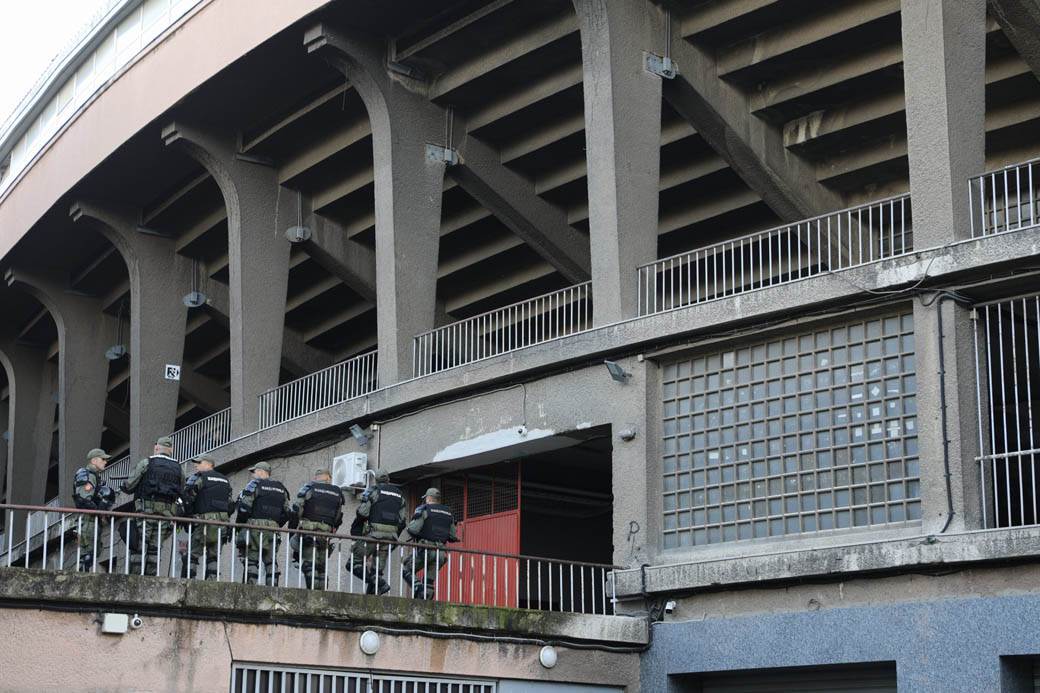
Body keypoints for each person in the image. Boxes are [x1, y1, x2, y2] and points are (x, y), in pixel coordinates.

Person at [120, 436, 183, 575]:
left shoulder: (147, 462)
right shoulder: (178, 467)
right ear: (171, 449)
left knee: (140, 545)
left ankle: (135, 578)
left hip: (146, 511)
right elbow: (181, 489)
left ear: (156, 447)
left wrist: (123, 486)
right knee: (155, 547)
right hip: (166, 514)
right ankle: (151, 578)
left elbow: (129, 486)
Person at [348, 471, 406, 595]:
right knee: (377, 572)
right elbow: (402, 521)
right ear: (388, 480)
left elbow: (363, 512)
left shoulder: (373, 491)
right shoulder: (399, 495)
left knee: (353, 563)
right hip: (390, 538)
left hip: (373, 535)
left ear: (376, 480)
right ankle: (372, 595)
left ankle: (381, 584)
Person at [234, 461, 291, 585]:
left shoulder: (254, 485)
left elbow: (244, 508)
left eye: (254, 472)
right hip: (273, 530)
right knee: (271, 561)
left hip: (254, 528)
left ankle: (250, 588)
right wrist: (276, 525)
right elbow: (287, 512)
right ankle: (273, 589)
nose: (253, 475)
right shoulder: (281, 488)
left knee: (251, 560)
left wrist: (239, 526)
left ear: (261, 472)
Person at [290, 469, 345, 589]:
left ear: (316, 477)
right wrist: (331, 529)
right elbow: (338, 517)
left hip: (309, 531)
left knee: (309, 564)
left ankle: (313, 593)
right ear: (329, 478)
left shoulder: (309, 488)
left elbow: (297, 509)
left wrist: (294, 528)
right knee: (321, 566)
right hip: (326, 534)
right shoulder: (337, 492)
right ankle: (322, 594)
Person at [401, 487, 459, 599]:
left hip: (426, 550)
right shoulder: (449, 513)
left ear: (428, 498)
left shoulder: (424, 509)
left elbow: (413, 529)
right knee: (429, 581)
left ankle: (418, 588)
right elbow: (452, 536)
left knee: (406, 569)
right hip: (441, 554)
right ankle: (426, 600)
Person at [179, 454, 231, 579]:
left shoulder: (200, 478)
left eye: (199, 462)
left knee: (192, 555)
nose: (196, 465)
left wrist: (188, 517)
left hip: (203, 523)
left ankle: (188, 582)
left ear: (209, 464)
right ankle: (211, 582)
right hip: (222, 524)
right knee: (213, 556)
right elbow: (230, 504)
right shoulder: (225, 480)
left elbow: (188, 499)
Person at [73, 448, 116, 571]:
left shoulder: (94, 476)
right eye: (103, 459)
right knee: (87, 555)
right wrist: (98, 510)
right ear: (94, 460)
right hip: (87, 519)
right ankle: (79, 579)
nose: (105, 462)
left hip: (92, 520)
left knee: (92, 553)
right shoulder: (87, 475)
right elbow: (83, 499)